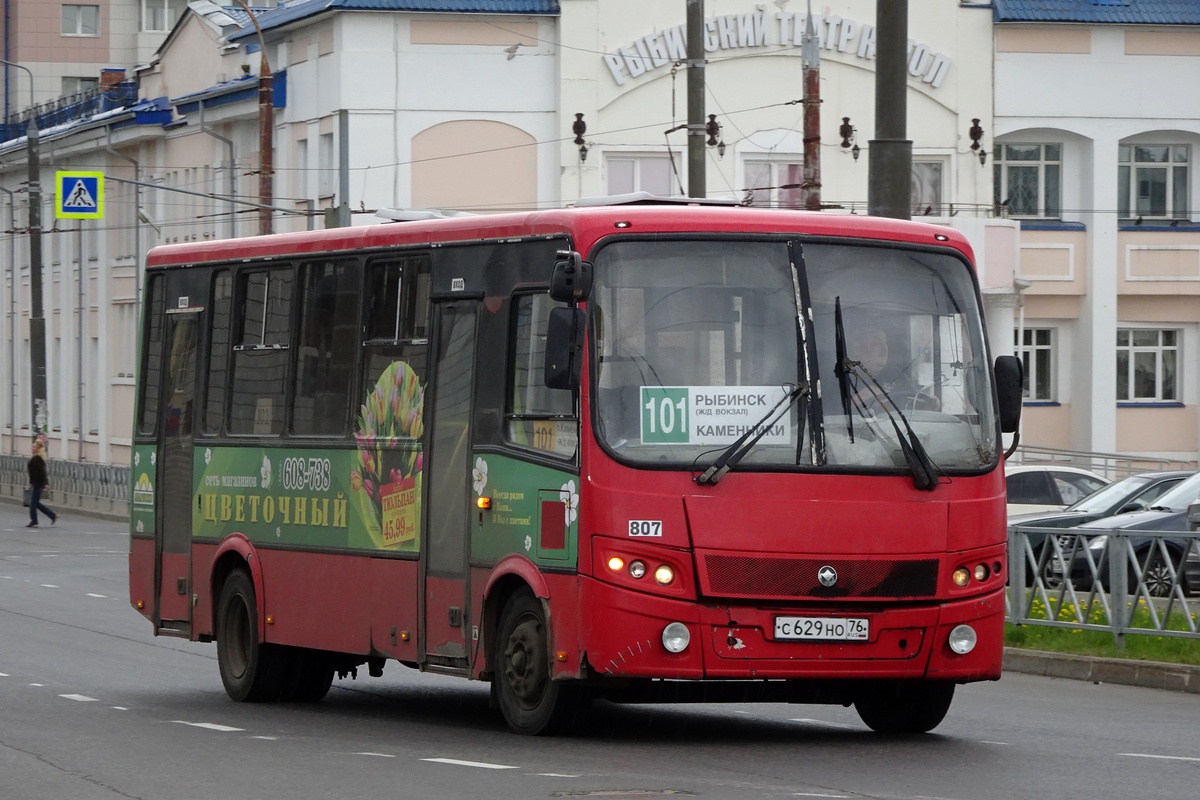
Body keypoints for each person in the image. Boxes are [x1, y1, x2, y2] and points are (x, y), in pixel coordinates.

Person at [26, 439, 57, 528]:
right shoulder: (34, 458)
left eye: (34, 447)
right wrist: (31, 482)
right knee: (36, 503)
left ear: (38, 449)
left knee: (32, 503)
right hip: (35, 483)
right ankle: (53, 515)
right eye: (32, 446)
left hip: (39, 483)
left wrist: (45, 483)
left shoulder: (39, 459)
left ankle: (34, 521)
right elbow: (32, 472)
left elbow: (42, 472)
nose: (32, 448)